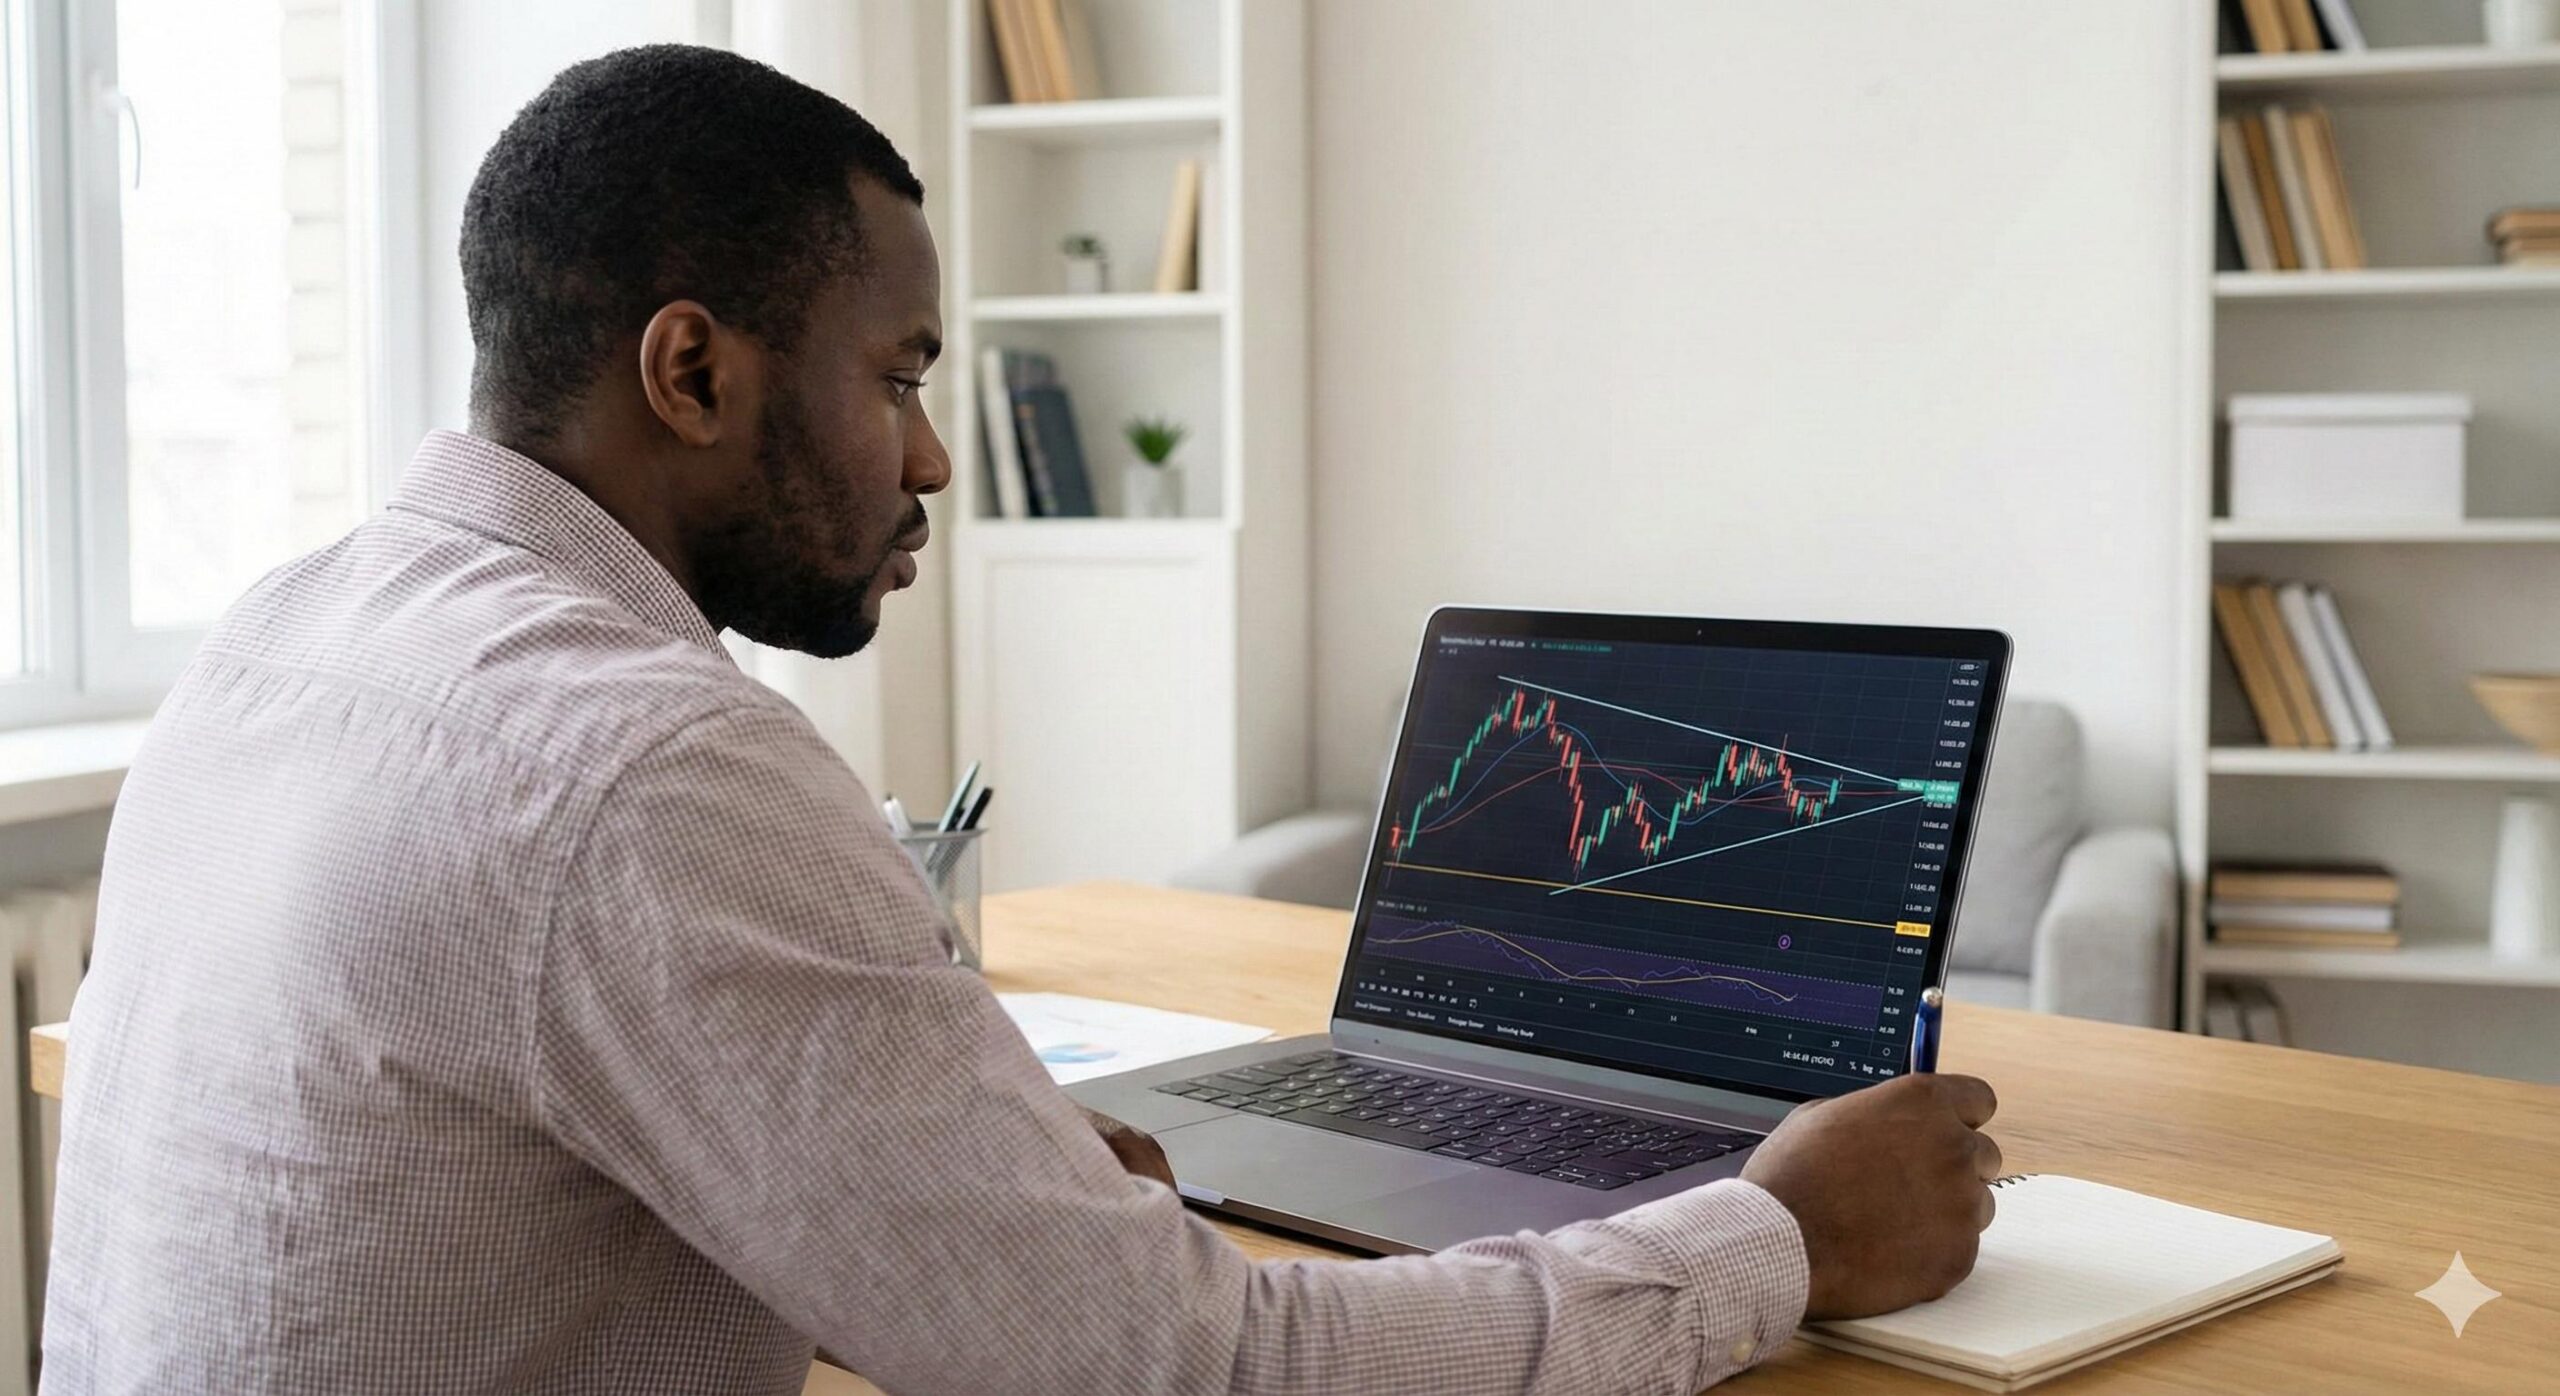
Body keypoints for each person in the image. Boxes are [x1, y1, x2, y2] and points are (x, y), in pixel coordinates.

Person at [42, 45, 2000, 1395]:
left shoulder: (279, 639)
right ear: (691, 371)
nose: (927, 456)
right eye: (897, 374)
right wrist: (1774, 1238)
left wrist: (978, 1184)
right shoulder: (648, 769)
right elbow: (1200, 1371)